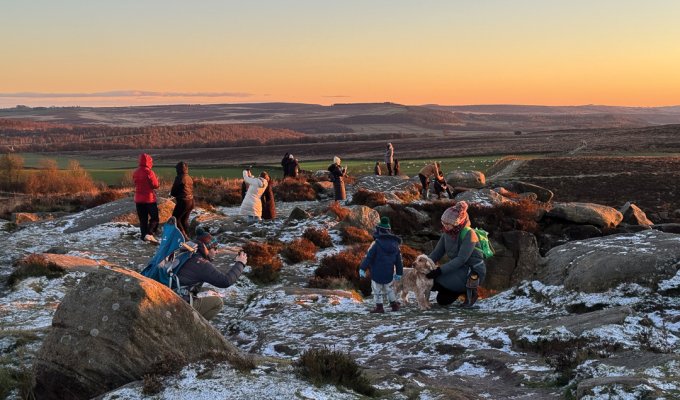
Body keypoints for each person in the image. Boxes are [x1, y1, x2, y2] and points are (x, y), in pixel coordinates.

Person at [425, 201, 486, 307]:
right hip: (458, 269)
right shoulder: (447, 233)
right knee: (442, 300)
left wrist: (439, 271)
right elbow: (436, 253)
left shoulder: (469, 234)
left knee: (435, 280)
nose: (445, 226)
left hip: (471, 271)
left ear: (458, 222)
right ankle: (459, 291)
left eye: (448, 224)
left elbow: (461, 259)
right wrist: (424, 265)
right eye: (444, 223)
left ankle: (470, 290)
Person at [175, 249, 248, 321]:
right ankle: (195, 326)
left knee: (212, 291)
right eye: (215, 248)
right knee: (217, 302)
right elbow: (226, 281)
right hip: (179, 301)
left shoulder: (187, 253)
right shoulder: (201, 262)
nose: (217, 252)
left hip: (175, 290)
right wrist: (240, 263)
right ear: (206, 248)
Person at [359, 217, 403, 313]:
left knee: (376, 290)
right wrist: (399, 273)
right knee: (390, 289)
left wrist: (362, 268)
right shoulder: (395, 245)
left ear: (379, 230)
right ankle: (394, 305)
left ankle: (379, 307)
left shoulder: (376, 244)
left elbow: (369, 257)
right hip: (389, 272)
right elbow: (398, 261)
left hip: (376, 272)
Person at [133, 153, 160, 243]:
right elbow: (155, 185)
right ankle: (150, 233)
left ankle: (143, 236)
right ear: (149, 162)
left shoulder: (136, 172)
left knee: (143, 219)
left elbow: (135, 182)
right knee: (155, 218)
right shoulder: (149, 172)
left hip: (138, 199)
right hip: (149, 199)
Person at [170, 161, 194, 239]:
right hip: (191, 201)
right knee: (184, 220)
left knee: (175, 218)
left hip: (183, 201)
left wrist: (174, 194)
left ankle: (184, 237)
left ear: (179, 170)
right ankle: (188, 235)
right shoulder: (189, 177)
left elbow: (173, 192)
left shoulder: (179, 178)